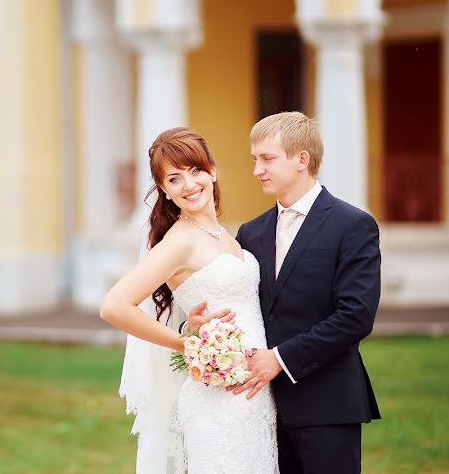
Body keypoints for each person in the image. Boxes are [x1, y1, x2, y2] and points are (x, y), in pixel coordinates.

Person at [189, 111, 381, 474]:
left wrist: (280, 359)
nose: (256, 169)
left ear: (301, 160)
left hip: (328, 404)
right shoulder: (251, 232)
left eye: (267, 158)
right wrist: (202, 326)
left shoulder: (353, 225)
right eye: (254, 159)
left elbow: (355, 316)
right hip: (261, 409)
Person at [100, 127, 278, 474]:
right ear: (164, 191)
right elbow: (114, 306)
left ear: (212, 170)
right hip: (217, 401)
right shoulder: (179, 241)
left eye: (195, 171)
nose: (189, 184)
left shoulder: (224, 236)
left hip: (253, 397)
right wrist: (186, 343)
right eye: (174, 179)